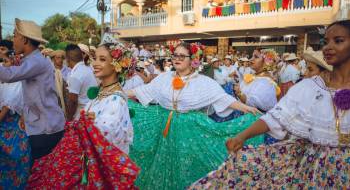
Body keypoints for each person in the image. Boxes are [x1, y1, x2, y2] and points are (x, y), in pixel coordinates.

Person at [189, 19, 350, 189]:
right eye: (325, 42)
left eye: (338, 41)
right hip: (314, 169)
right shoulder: (310, 88)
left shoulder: (271, 81)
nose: (328, 47)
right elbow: (276, 117)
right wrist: (241, 136)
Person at [126, 43, 264, 190]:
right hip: (165, 127)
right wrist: (119, 93)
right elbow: (144, 90)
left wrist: (246, 108)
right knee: (166, 162)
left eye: (182, 56)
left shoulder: (203, 82)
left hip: (190, 131)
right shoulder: (165, 78)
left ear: (192, 59)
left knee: (186, 166)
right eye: (175, 55)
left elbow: (223, 99)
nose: (177, 59)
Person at [27, 37, 140, 189]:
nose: (95, 63)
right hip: (86, 164)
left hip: (96, 169)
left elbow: (105, 138)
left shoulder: (116, 100)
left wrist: (88, 125)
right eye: (95, 58)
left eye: (102, 59)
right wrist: (85, 123)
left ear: (116, 65)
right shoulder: (103, 93)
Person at [0, 18, 65, 161]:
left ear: (24, 40)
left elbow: (9, 75)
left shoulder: (36, 61)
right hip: (42, 126)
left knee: (40, 175)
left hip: (46, 129)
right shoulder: (31, 60)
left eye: (15, 35)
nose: (12, 40)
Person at [0, 50, 31, 189]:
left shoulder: (17, 81)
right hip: (6, 126)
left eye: (6, 61)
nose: (3, 65)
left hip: (14, 126)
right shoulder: (6, 80)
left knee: (16, 162)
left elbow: (7, 108)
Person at [65, 44, 98, 121]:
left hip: (82, 114)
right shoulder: (88, 68)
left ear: (68, 58)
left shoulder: (76, 75)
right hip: (93, 111)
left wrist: (68, 120)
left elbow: (73, 102)